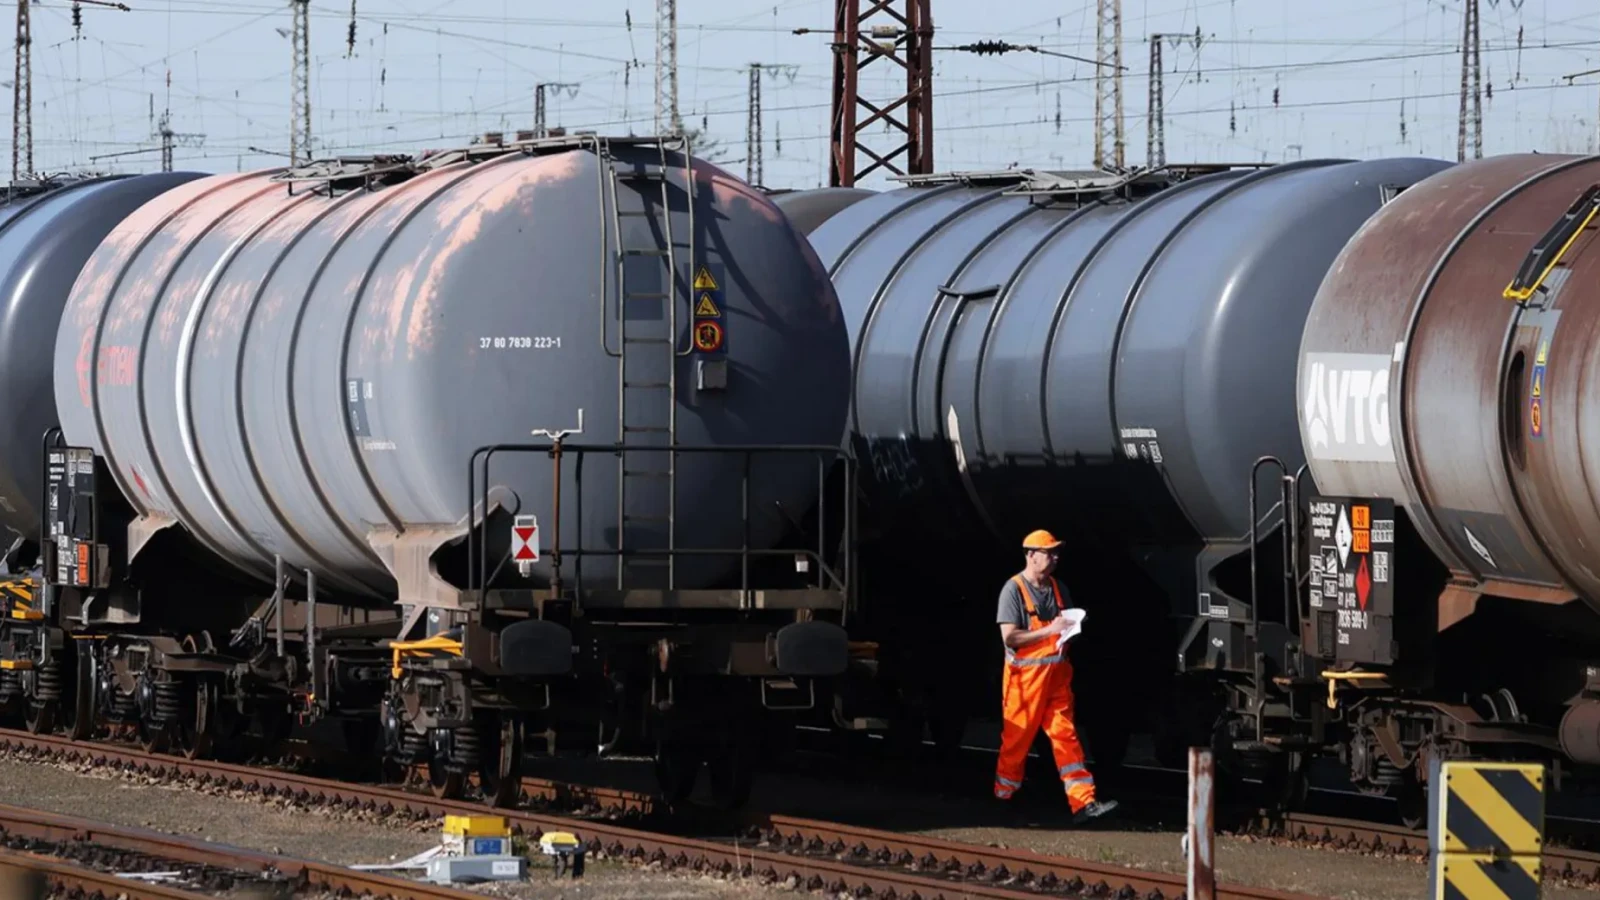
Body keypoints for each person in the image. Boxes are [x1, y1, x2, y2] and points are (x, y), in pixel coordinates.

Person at [993, 529, 1117, 823]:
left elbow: (1064, 629)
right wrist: (1051, 630)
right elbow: (1009, 637)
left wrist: (1071, 630)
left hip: (1057, 678)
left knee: (1066, 738)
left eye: (1056, 552)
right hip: (1024, 683)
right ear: (1031, 555)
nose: (1055, 557)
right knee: (1016, 741)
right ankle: (1004, 798)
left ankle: (1083, 803)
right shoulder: (1013, 590)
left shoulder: (1058, 588)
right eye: (1049, 552)